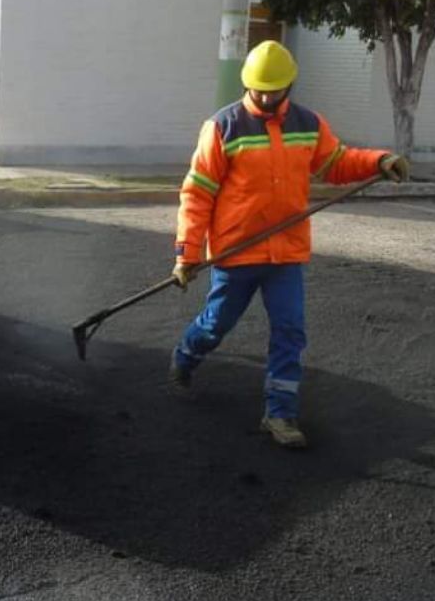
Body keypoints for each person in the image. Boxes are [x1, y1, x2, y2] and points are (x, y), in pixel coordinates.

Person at [171, 39, 406, 451]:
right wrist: (187, 254)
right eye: (258, 89)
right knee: (216, 325)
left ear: (289, 85)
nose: (264, 97)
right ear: (247, 83)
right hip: (237, 253)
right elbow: (198, 193)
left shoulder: (308, 124)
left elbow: (336, 163)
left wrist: (378, 161)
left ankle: (280, 413)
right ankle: (188, 352)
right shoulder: (224, 128)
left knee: (290, 330)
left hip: (285, 254)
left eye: (273, 90)